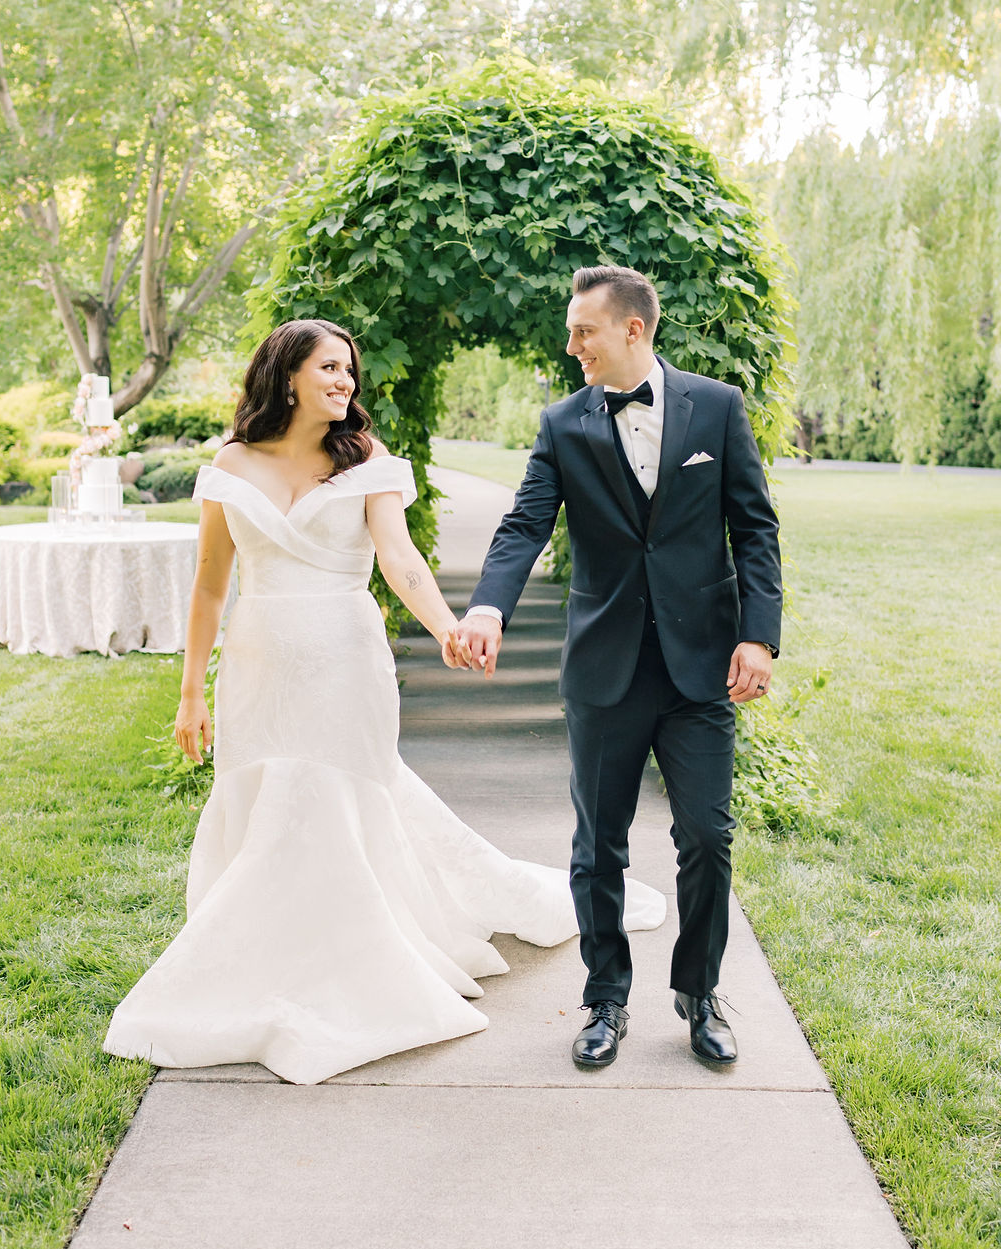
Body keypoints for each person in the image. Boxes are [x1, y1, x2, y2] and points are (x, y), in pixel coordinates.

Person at [104, 318, 665, 1085]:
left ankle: (353, 953)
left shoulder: (365, 458)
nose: (345, 382)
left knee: (335, 793)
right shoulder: (231, 463)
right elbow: (208, 586)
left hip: (345, 660)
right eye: (330, 368)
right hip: (259, 663)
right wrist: (188, 694)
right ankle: (267, 946)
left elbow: (399, 562)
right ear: (287, 374)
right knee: (268, 793)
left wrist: (447, 629)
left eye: (350, 371)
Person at [450, 266, 782, 1069]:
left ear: (633, 330)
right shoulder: (564, 425)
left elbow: (756, 529)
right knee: (599, 845)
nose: (571, 347)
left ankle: (698, 993)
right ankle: (605, 999)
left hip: (701, 665)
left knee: (706, 834)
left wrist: (758, 637)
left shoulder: (719, 408)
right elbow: (525, 522)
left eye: (583, 331)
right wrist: (489, 606)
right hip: (604, 667)